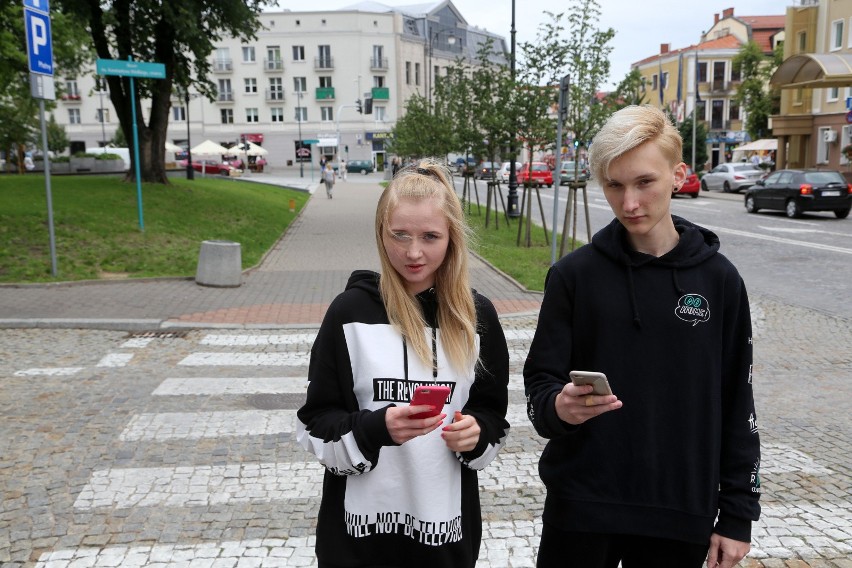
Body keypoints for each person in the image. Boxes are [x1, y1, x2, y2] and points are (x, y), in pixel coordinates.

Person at [524, 105, 760, 568]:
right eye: (614, 185)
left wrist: (737, 515)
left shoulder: (719, 281)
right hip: (581, 510)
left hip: (679, 514)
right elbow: (540, 389)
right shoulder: (574, 276)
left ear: (678, 175)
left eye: (644, 182)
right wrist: (560, 407)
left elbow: (738, 402)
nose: (629, 203)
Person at [297, 159, 510, 568]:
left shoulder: (477, 318)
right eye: (400, 236)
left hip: (444, 536)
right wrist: (377, 428)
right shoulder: (349, 313)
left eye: (431, 236)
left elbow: (493, 418)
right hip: (358, 542)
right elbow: (316, 425)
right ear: (381, 234)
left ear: (452, 238)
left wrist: (476, 433)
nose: (414, 253)